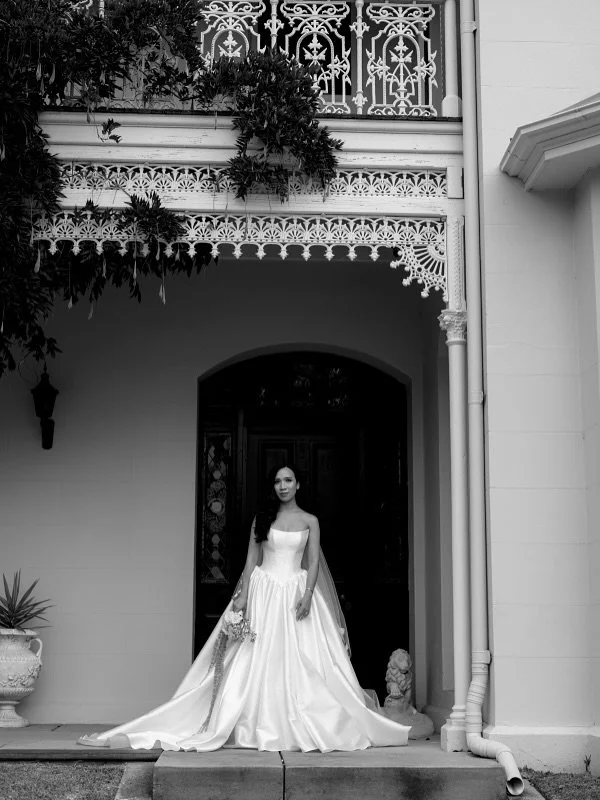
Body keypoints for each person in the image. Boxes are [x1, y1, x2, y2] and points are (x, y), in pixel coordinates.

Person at [77, 464, 410, 751]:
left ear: (299, 485)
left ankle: (299, 721)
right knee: (248, 660)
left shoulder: (310, 520)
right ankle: (240, 721)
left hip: (296, 593)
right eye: (278, 481)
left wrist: (308, 595)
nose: (283, 486)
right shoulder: (261, 519)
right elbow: (252, 562)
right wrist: (242, 597)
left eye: (288, 481)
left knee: (305, 662)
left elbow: (312, 563)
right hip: (263, 591)